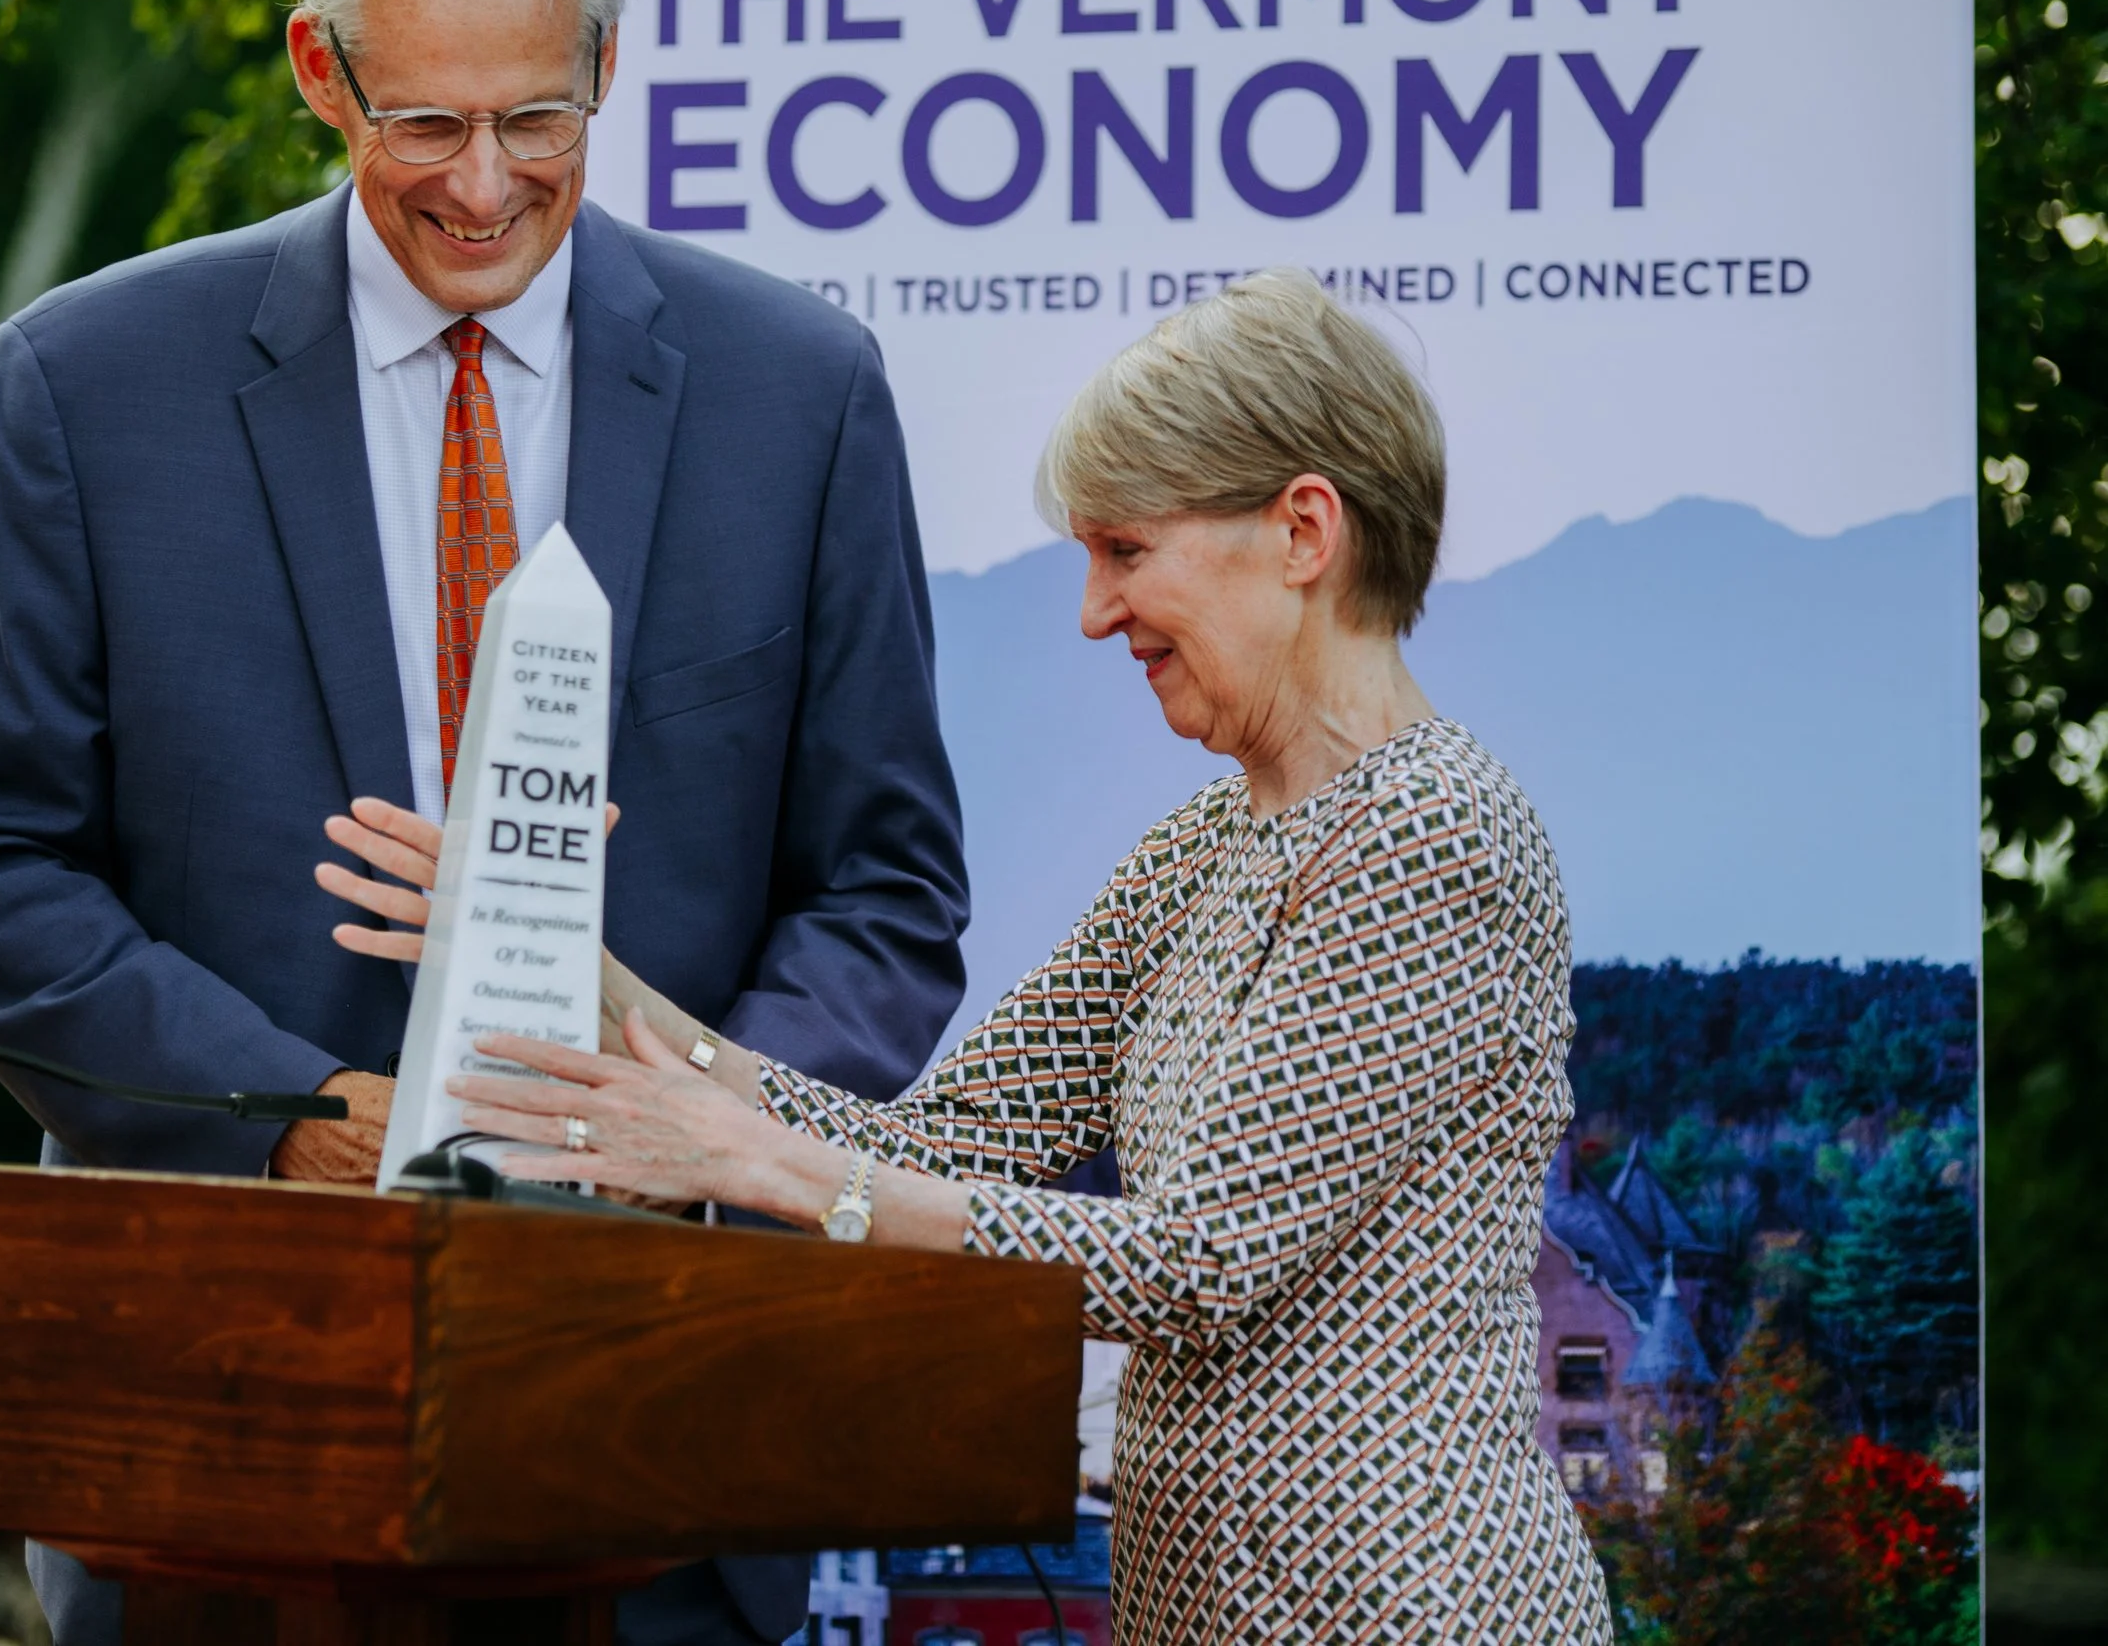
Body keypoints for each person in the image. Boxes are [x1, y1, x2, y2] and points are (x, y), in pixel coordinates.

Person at [0, 0, 967, 1646]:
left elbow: (886, 889)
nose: (484, 187)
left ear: (608, 73)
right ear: (323, 76)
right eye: (426, 127)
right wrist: (291, 1117)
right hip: (207, 1452)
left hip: (666, 1460)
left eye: (536, 121)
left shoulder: (804, 395)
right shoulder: (82, 386)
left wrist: (690, 1130)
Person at [331, 271, 1614, 1645]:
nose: (1091, 613)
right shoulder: (1199, 847)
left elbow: (1199, 1262)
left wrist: (751, 1162)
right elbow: (943, 1149)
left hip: (1419, 1609)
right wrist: (587, 972)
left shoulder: (1438, 836)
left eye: (1126, 551)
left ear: (1303, 530)